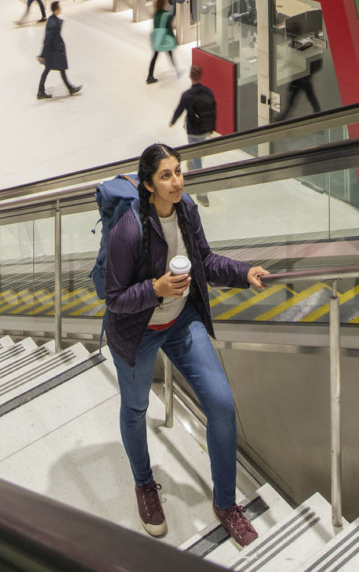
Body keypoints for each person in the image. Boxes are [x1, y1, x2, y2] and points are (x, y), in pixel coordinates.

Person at [106, 143, 269, 547]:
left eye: (178, 171)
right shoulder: (129, 229)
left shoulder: (187, 210)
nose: (177, 181)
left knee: (222, 404)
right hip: (137, 331)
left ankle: (226, 504)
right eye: (166, 175)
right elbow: (114, 299)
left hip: (181, 321)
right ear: (148, 185)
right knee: (135, 409)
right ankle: (145, 484)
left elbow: (205, 261)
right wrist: (155, 289)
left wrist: (244, 272)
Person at [170, 66, 217, 179]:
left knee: (196, 154)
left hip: (193, 130)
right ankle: (193, 162)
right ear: (200, 76)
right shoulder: (208, 91)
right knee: (198, 149)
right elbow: (213, 110)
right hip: (206, 128)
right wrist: (212, 127)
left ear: (190, 76)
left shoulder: (187, 95)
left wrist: (173, 121)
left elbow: (179, 110)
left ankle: (198, 177)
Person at [36, 0, 81, 99]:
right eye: (59, 7)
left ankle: (68, 88)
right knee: (54, 69)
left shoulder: (53, 20)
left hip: (54, 51)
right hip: (53, 52)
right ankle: (41, 91)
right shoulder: (53, 24)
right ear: (56, 9)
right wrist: (42, 55)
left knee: (57, 69)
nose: (60, 9)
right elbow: (47, 40)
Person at [145, 0, 178, 83]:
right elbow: (169, 27)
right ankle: (177, 69)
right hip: (164, 38)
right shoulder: (165, 14)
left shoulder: (156, 14)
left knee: (155, 56)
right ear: (164, 4)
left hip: (157, 38)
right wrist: (174, 38)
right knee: (169, 52)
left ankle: (150, 75)